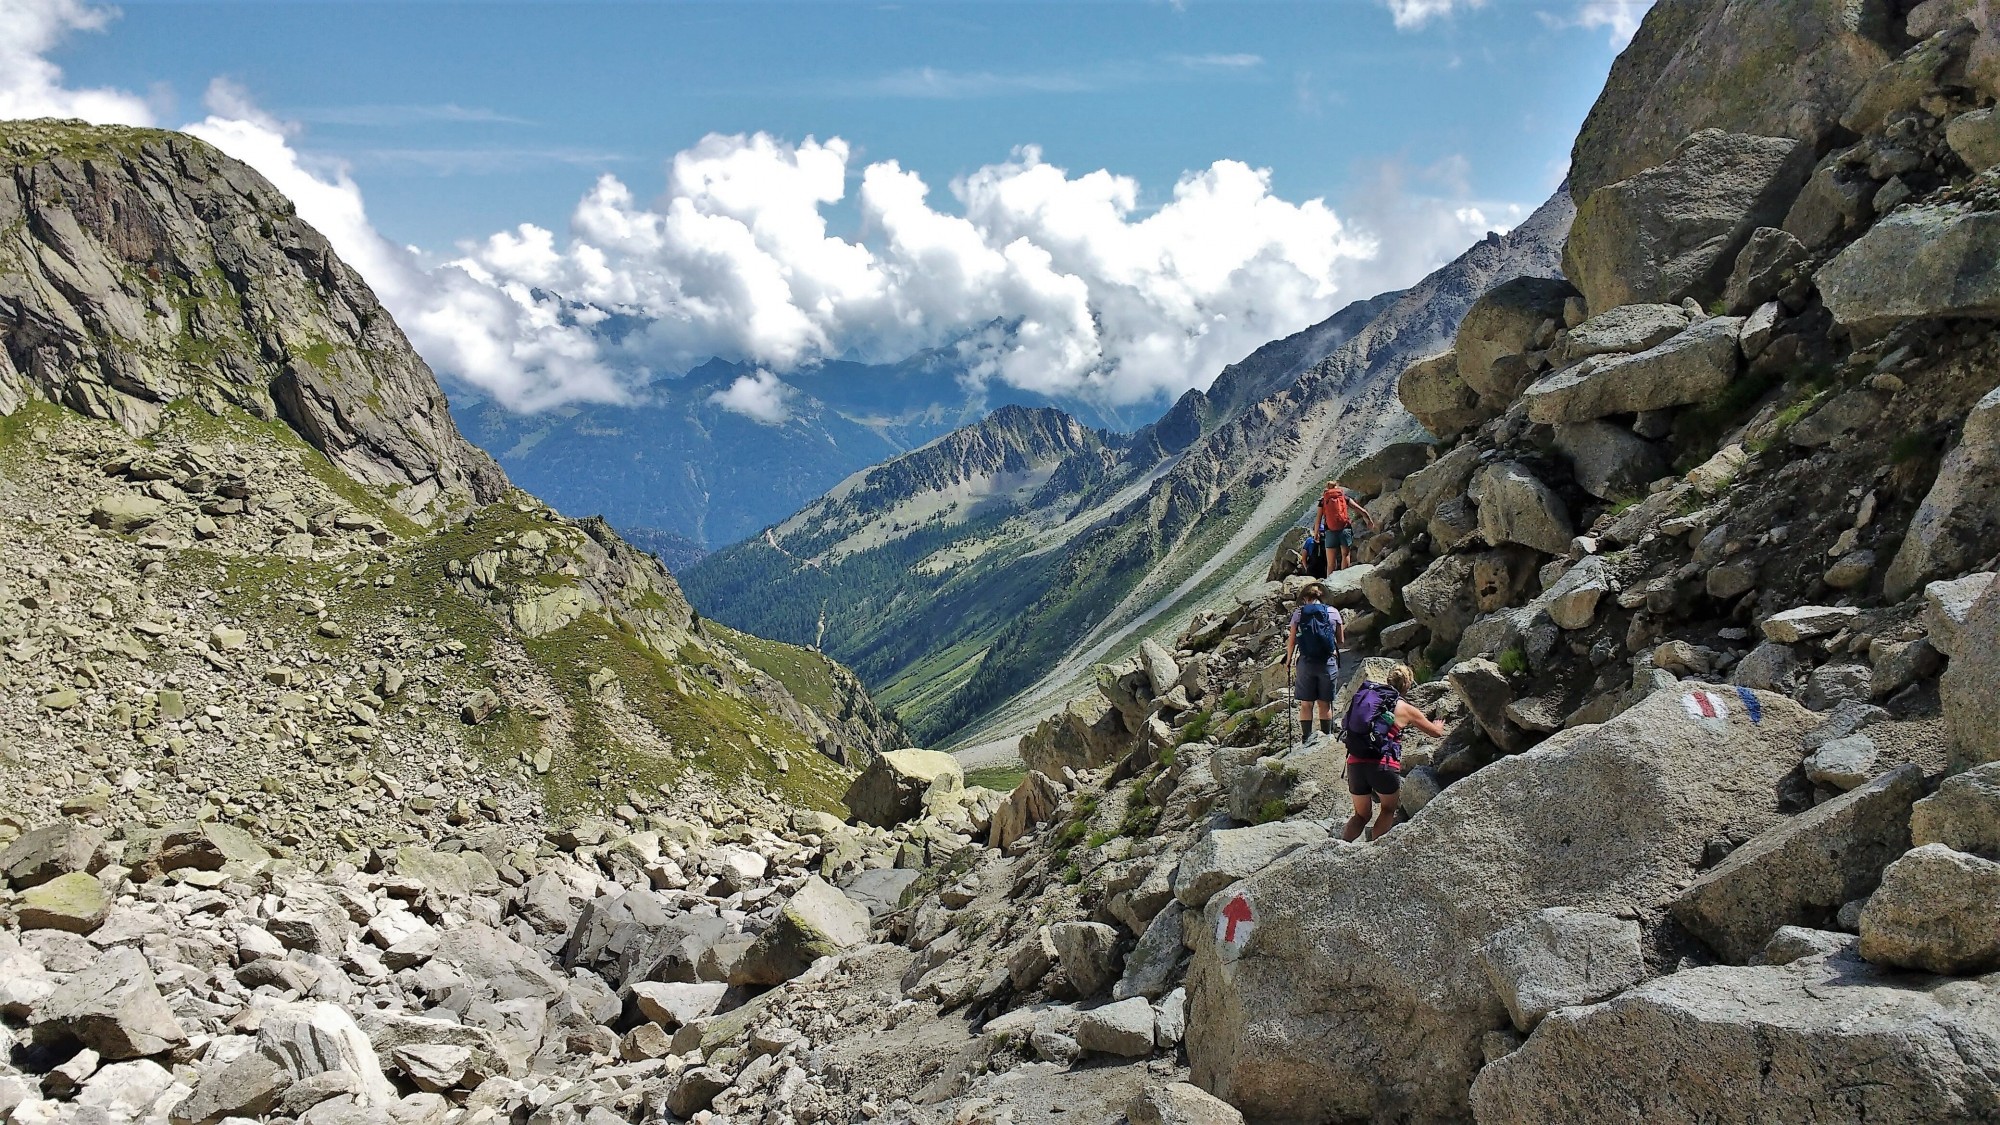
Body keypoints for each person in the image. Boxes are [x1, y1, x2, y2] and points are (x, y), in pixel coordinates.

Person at [1340, 664, 1445, 843]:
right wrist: (1439, 725)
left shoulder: (1369, 698)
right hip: (1382, 765)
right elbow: (1435, 733)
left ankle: (1340, 848)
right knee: (1388, 809)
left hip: (1355, 762)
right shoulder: (1404, 708)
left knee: (1361, 815)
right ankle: (1374, 851)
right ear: (1407, 684)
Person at [1285, 582, 1345, 746]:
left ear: (1305, 598)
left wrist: (1289, 660)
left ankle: (1306, 739)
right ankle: (1327, 740)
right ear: (1321, 597)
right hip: (1328, 662)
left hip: (1306, 662)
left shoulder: (1298, 614)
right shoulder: (1334, 612)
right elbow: (1341, 641)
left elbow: (1292, 641)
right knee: (1324, 704)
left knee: (1306, 704)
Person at [1315, 479, 1376, 572]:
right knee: (1345, 555)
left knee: (1330, 563)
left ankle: (1329, 582)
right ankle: (1344, 576)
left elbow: (1318, 520)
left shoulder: (1323, 501)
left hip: (1330, 531)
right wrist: (1369, 520)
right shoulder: (1343, 497)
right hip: (1344, 529)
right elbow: (1360, 509)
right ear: (1337, 487)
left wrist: (1316, 533)